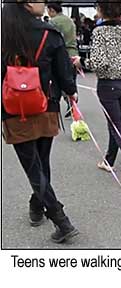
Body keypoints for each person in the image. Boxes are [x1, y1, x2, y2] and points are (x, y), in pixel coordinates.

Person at [1, 2, 79, 243]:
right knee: (41, 163)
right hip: (47, 104)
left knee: (34, 167)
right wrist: (71, 91)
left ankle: (57, 218)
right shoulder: (50, 33)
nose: (44, 3)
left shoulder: (4, 33)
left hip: (14, 109)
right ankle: (41, 209)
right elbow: (64, 72)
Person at [75, 1, 121, 182]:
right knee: (115, 123)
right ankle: (109, 159)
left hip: (108, 84)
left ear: (101, 10)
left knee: (116, 126)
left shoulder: (99, 32)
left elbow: (98, 62)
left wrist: (81, 62)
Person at [47, 2, 79, 119]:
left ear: (51, 10)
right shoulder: (70, 21)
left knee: (60, 81)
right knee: (71, 80)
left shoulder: (53, 22)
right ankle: (73, 102)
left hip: (61, 55)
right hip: (73, 53)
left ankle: (70, 104)